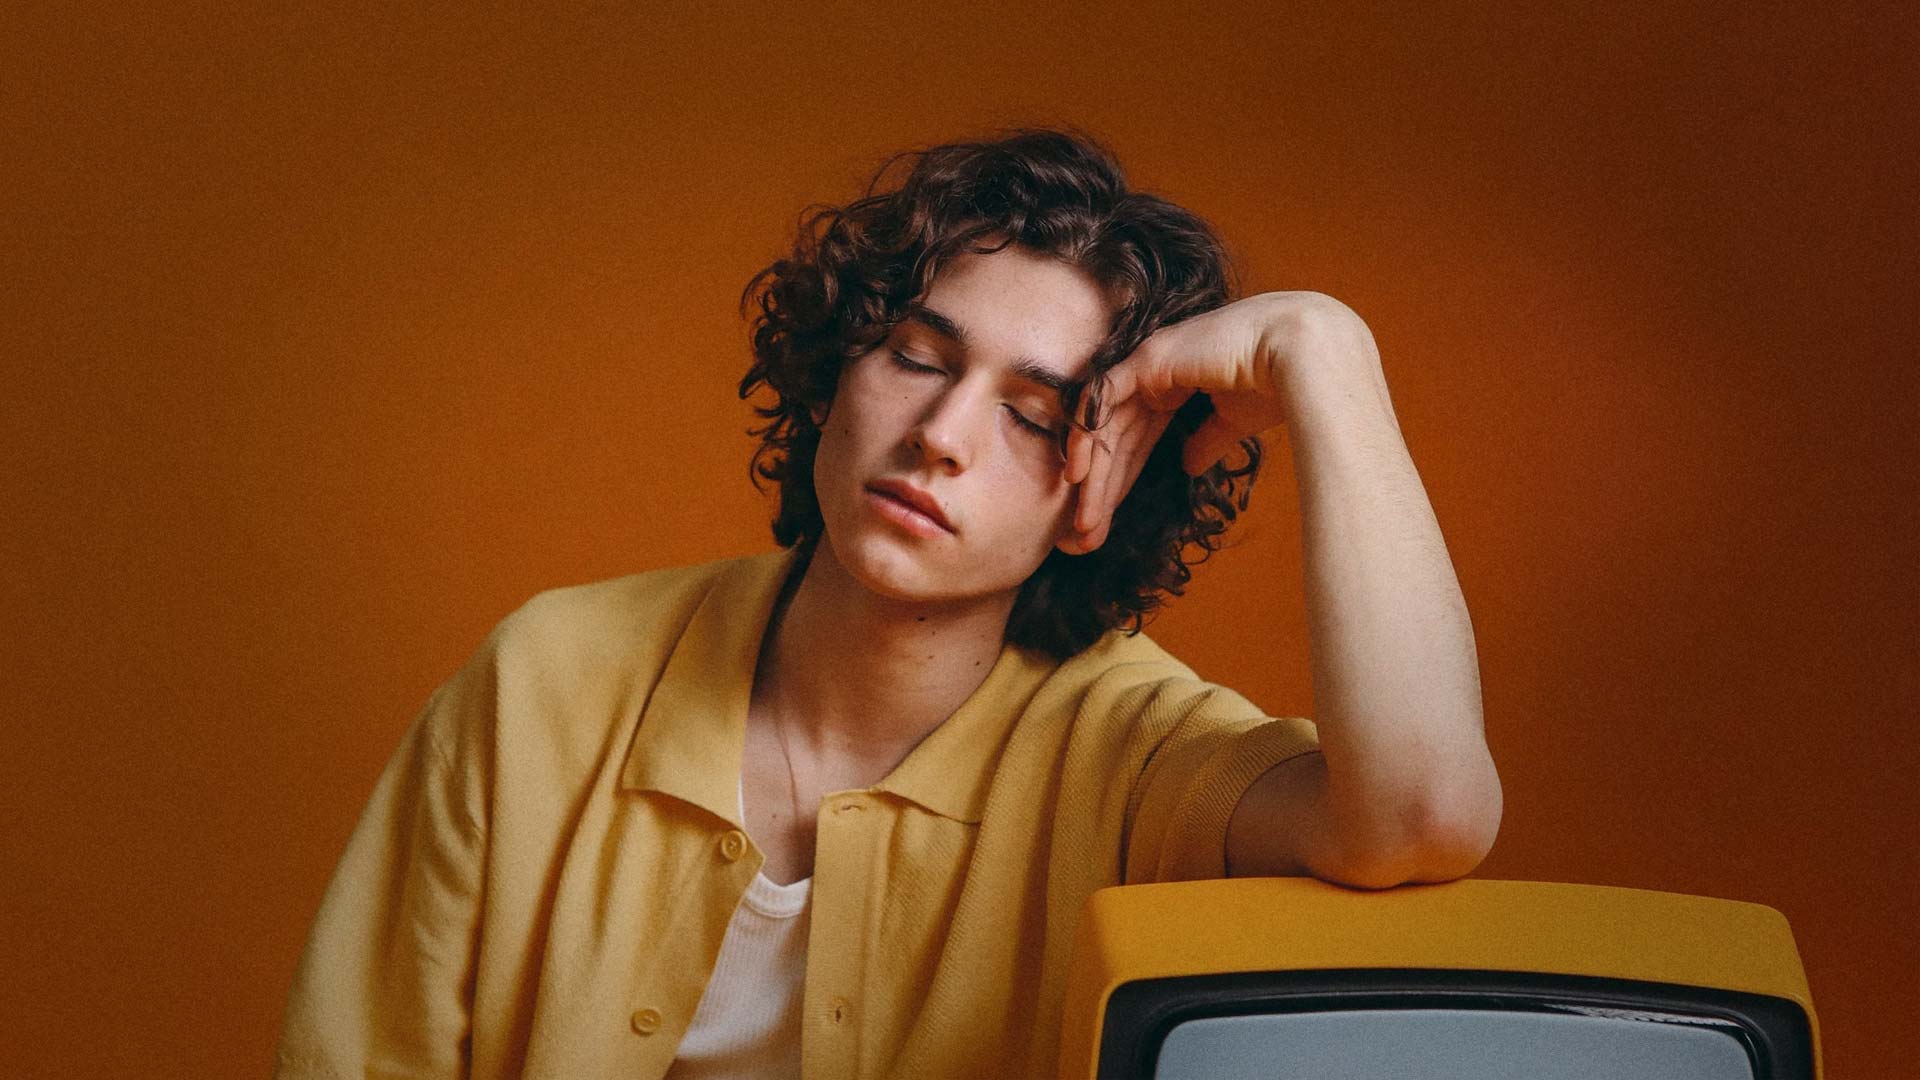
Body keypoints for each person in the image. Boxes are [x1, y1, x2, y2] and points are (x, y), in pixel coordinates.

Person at [273, 128, 1501, 1079]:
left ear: (1103, 492)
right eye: (917, 356)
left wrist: (1327, 355)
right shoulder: (548, 676)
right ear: (834, 373)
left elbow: (1421, 818)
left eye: (1035, 416)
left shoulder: (1134, 757)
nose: (942, 434)